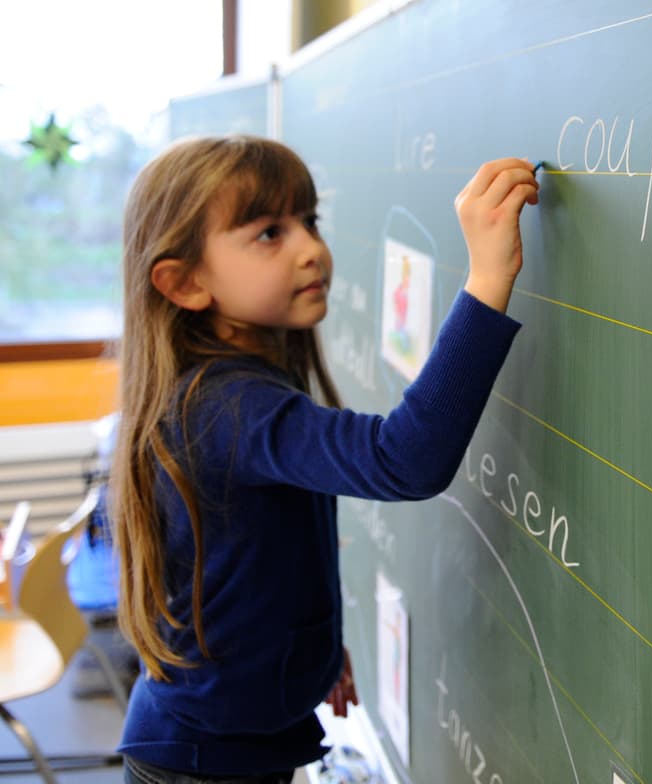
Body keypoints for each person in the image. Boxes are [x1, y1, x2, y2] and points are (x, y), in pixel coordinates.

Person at [109, 135, 539, 780]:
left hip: (216, 740)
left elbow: (247, 556)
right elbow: (405, 459)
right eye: (268, 234)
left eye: (309, 222)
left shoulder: (228, 388)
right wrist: (486, 281)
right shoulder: (228, 405)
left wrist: (308, 649)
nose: (311, 249)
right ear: (185, 282)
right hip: (206, 762)